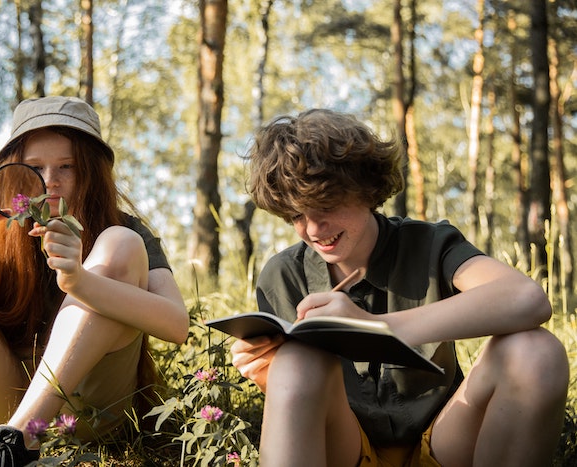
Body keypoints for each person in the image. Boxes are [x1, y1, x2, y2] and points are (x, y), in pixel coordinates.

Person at [230, 109, 569, 467]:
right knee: (296, 362)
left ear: (365, 189)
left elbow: (526, 299)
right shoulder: (283, 276)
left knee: (535, 350)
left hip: (445, 443)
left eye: (325, 206)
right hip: (346, 450)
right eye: (297, 215)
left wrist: (374, 327)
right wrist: (271, 375)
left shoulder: (428, 244)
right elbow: (302, 406)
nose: (313, 229)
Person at [0, 96, 189, 466]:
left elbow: (176, 324)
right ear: (14, 171)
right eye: (36, 166)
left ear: (92, 170)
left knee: (120, 244)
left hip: (90, 408)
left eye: (67, 166)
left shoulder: (123, 228)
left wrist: (80, 280)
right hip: (0, 397)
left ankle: (18, 445)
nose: (50, 181)